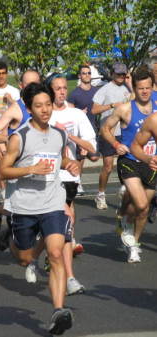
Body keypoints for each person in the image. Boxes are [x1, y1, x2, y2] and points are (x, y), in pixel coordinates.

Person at [0, 82, 78, 335]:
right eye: (39, 106)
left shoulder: (59, 134)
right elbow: (4, 170)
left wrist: (70, 164)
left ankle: (58, 311)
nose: (45, 110)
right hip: (25, 206)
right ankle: (8, 236)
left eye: (48, 105)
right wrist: (30, 169)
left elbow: (59, 156)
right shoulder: (19, 137)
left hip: (53, 202)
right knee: (25, 258)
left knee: (55, 254)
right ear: (30, 109)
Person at [46, 74, 96, 293]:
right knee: (67, 219)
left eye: (65, 88)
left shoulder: (76, 115)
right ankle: (69, 277)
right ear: (50, 91)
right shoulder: (43, 115)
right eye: (57, 88)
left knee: (64, 227)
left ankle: (58, 263)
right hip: (47, 177)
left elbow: (92, 147)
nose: (62, 92)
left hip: (70, 178)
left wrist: (70, 137)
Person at [103, 67, 156, 263]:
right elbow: (105, 129)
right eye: (141, 88)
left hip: (151, 164)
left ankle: (134, 242)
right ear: (134, 88)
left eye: (148, 88)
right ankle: (127, 216)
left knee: (143, 209)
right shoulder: (125, 109)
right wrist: (116, 144)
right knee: (141, 203)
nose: (145, 92)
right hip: (130, 161)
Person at [0, 69, 40, 231]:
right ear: (21, 86)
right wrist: (12, 141)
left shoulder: (44, 106)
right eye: (29, 84)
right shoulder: (16, 109)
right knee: (15, 209)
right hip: (18, 167)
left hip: (39, 164)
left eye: (36, 84)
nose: (33, 87)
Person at [92, 63, 132, 209]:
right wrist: (111, 105)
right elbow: (94, 109)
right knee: (108, 167)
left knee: (127, 166)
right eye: (118, 74)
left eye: (123, 74)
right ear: (112, 74)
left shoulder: (127, 88)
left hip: (124, 132)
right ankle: (101, 195)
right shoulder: (105, 89)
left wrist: (130, 83)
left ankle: (127, 193)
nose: (121, 77)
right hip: (108, 132)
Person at [68, 64, 100, 195]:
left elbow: (100, 107)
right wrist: (78, 112)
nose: (87, 75)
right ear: (79, 76)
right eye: (84, 73)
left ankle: (75, 180)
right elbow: (69, 111)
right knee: (80, 158)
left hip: (93, 129)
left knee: (94, 157)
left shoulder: (96, 91)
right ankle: (77, 183)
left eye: (88, 73)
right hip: (79, 131)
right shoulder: (74, 93)